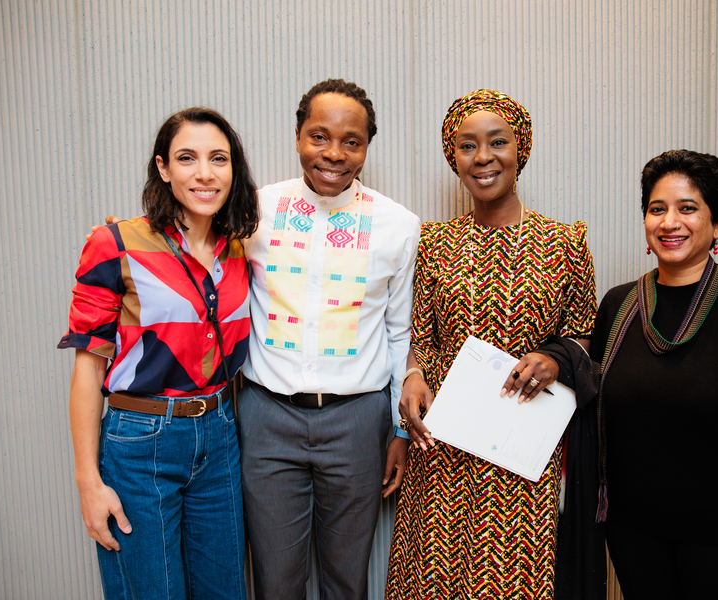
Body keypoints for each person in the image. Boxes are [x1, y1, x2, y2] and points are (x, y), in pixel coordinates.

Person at [540, 149, 718, 600]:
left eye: (688, 208)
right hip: (633, 533)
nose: (670, 221)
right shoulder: (618, 305)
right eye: (657, 209)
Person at [386, 89, 600, 599]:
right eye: (467, 146)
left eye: (497, 142)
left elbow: (587, 337)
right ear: (453, 158)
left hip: (523, 458)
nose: (483, 157)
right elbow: (420, 339)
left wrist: (553, 359)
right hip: (441, 454)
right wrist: (413, 378)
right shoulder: (436, 242)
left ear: (519, 149)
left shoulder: (564, 242)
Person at [58, 107, 260, 599]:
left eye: (219, 158)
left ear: (234, 170)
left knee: (226, 590)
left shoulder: (241, 249)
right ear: (163, 169)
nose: (205, 173)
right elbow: (88, 369)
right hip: (141, 439)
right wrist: (89, 482)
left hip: (219, 434)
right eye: (186, 159)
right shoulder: (116, 243)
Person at [236, 79, 421, 600]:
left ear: (367, 146)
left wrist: (398, 431)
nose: (334, 154)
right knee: (276, 582)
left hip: (357, 421)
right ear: (297, 137)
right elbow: (190, 246)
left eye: (352, 141)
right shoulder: (252, 211)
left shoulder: (399, 226)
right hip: (266, 415)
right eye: (319, 136)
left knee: (346, 580)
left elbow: (398, 332)